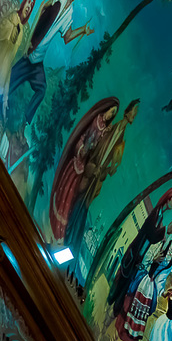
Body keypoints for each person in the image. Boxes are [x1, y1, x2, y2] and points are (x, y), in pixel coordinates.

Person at [7, 0, 95, 131]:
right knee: (10, 82)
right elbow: (42, 6)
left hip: (38, 61)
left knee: (41, 89)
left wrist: (83, 29)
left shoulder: (70, 13)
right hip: (31, 52)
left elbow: (67, 37)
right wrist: (29, 39)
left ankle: (24, 123)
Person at [66, 99, 139, 250]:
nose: (135, 115)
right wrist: (94, 166)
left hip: (97, 177)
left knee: (84, 207)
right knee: (78, 200)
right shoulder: (112, 129)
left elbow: (113, 162)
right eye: (134, 111)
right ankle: (68, 233)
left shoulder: (120, 137)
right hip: (92, 170)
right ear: (127, 111)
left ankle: (73, 240)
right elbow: (97, 147)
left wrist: (108, 170)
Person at [49, 97, 119, 243]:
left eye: (113, 114)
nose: (110, 115)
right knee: (66, 190)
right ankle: (54, 223)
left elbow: (99, 148)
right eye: (111, 111)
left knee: (71, 196)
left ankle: (61, 230)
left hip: (84, 166)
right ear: (106, 109)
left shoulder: (105, 130)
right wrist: (82, 149)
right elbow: (84, 136)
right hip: (78, 160)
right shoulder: (96, 120)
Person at [107, 187, 172, 325]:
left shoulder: (159, 216)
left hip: (138, 258)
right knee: (122, 284)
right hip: (134, 256)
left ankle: (111, 315)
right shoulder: (155, 214)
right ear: (168, 198)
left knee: (125, 286)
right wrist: (165, 230)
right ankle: (109, 313)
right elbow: (151, 235)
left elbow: (152, 238)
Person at [119, 225, 172, 341]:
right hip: (146, 276)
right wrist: (152, 260)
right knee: (134, 306)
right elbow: (150, 253)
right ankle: (123, 333)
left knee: (144, 313)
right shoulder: (167, 242)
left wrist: (161, 291)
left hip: (152, 283)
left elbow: (164, 274)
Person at [0, 0, 34, 117]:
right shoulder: (11, 18)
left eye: (32, 5)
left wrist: (5, 96)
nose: (29, 6)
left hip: (0, 87)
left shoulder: (21, 33)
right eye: (28, 2)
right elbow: (0, 34)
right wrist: (12, 29)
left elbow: (9, 63)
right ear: (23, 3)